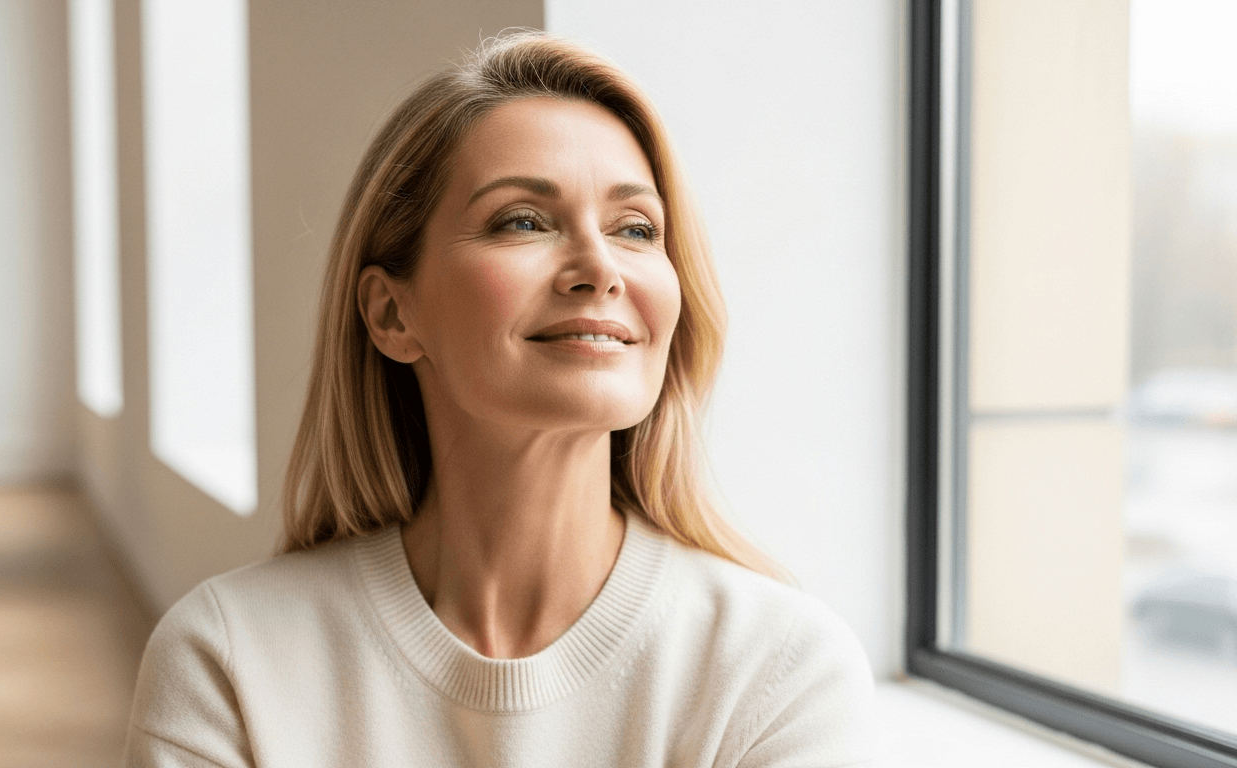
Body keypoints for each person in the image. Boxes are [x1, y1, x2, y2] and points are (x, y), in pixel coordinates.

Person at [124, 31, 874, 767]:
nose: (600, 268)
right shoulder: (227, 662)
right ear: (392, 314)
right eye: (523, 221)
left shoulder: (779, 672)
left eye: (636, 229)